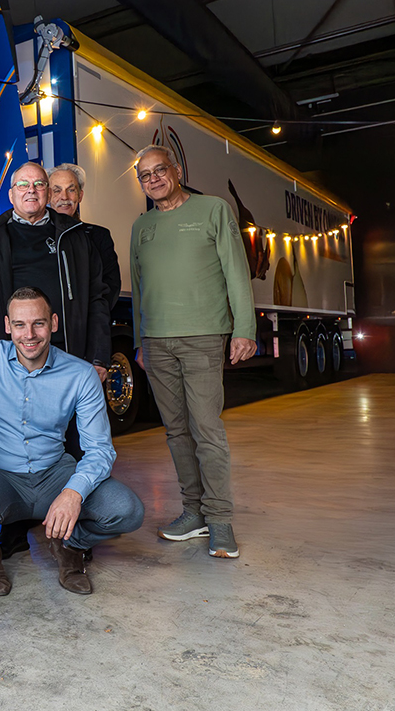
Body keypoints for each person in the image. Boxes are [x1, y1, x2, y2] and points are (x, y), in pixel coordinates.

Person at [0, 287, 143, 597]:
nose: (29, 334)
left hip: (55, 472)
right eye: (19, 325)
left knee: (128, 510)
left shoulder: (80, 374)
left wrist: (73, 492)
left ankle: (71, 548)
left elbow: (100, 450)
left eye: (38, 323)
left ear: (53, 322)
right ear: (7, 325)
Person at [130, 144, 256, 559]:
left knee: (207, 431)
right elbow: (138, 290)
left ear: (177, 170)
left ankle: (220, 520)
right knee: (177, 431)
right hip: (157, 343)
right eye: (145, 175)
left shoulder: (213, 210)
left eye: (159, 170)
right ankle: (194, 512)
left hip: (203, 337)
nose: (153, 179)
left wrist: (244, 329)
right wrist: (139, 341)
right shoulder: (141, 226)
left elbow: (236, 272)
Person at [0, 162, 110, 373]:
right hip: (6, 362)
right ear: (11, 195)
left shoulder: (75, 237)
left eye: (39, 184)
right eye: (23, 184)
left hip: (68, 357)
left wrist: (98, 357)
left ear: (48, 194)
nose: (31, 189)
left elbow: (97, 299)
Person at [48, 164, 121, 304]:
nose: (64, 197)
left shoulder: (99, 237)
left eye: (71, 190)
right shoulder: (39, 236)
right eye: (57, 190)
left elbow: (110, 288)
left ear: (80, 195)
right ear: (48, 196)